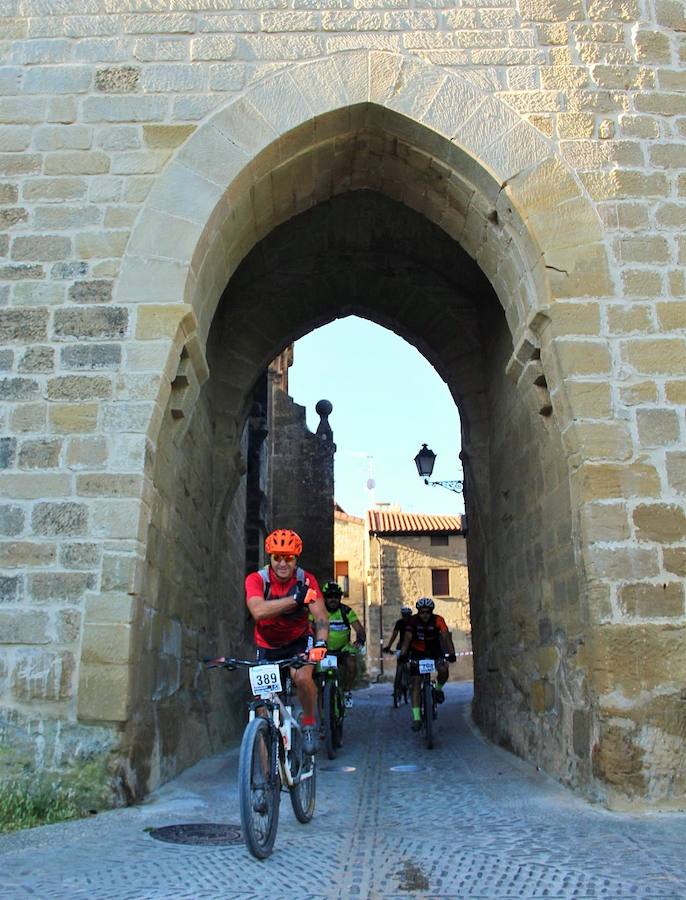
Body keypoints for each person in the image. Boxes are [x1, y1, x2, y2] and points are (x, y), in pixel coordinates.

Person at [244, 528, 329, 755]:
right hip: (267, 645)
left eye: (288, 558)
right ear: (269, 558)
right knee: (261, 710)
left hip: (299, 641)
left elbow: (320, 617)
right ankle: (266, 781)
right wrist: (295, 599)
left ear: (296, 559)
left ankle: (309, 722)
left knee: (302, 677)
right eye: (277, 558)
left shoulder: (306, 580)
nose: (283, 563)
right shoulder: (257, 580)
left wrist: (321, 644)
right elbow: (259, 611)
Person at [398, 597, 456, 732]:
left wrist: (451, 653)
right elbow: (407, 639)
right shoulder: (412, 621)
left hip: (435, 650)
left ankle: (438, 689)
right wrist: (403, 655)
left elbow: (446, 637)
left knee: (443, 670)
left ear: (432, 612)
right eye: (422, 612)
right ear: (418, 612)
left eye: (428, 612)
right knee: (416, 683)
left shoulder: (438, 620)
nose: (425, 615)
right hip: (417, 652)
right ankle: (417, 718)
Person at [320, 581, 366, 708]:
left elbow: (359, 629)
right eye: (329, 596)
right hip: (322, 649)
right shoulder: (318, 611)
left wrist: (360, 641)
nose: (333, 599)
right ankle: (324, 717)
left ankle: (346, 691)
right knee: (318, 682)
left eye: (336, 596)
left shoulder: (346, 611)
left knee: (352, 666)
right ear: (324, 597)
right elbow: (307, 627)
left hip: (343, 648)